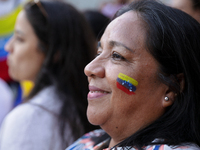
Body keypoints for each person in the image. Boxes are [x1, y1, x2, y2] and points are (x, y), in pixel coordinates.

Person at [65, 0, 200, 149]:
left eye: (117, 56)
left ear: (171, 87)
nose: (89, 68)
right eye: (99, 52)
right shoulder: (91, 139)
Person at [0, 0, 97, 150]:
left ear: (53, 52)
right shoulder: (88, 105)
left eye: (20, 39)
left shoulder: (27, 120)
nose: (8, 47)